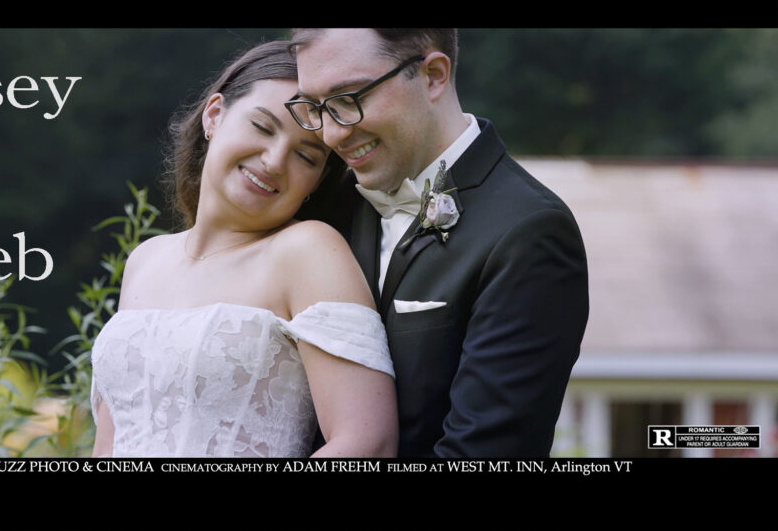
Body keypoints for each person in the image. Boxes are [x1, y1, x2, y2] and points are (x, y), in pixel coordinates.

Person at [287, 28, 589, 457]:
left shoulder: (530, 232)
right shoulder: (321, 207)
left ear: (432, 75)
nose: (331, 135)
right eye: (315, 108)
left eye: (350, 100)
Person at [89, 40, 398, 458]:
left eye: (305, 157)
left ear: (318, 181)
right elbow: (109, 444)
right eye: (263, 127)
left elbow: (367, 443)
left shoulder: (306, 251)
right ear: (214, 115)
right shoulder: (147, 259)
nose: (273, 161)